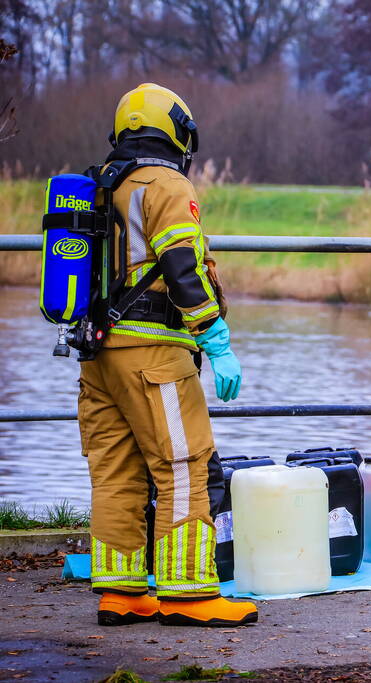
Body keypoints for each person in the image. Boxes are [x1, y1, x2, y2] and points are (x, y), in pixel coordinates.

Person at [79, 83, 256, 627]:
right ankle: (189, 597)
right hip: (154, 355)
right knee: (182, 466)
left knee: (115, 472)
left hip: (99, 354)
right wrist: (215, 338)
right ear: (176, 129)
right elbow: (182, 265)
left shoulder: (99, 184)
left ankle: (122, 593)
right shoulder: (166, 183)